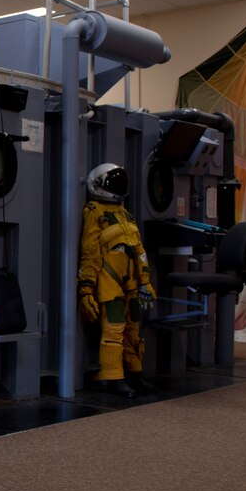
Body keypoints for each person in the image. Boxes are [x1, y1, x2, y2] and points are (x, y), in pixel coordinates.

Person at [78, 163, 156, 397]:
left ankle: (135, 373)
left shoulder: (124, 214)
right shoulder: (94, 212)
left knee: (133, 328)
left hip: (131, 281)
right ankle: (112, 377)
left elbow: (139, 250)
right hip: (109, 281)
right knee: (114, 329)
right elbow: (90, 252)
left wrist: (145, 281)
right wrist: (86, 287)